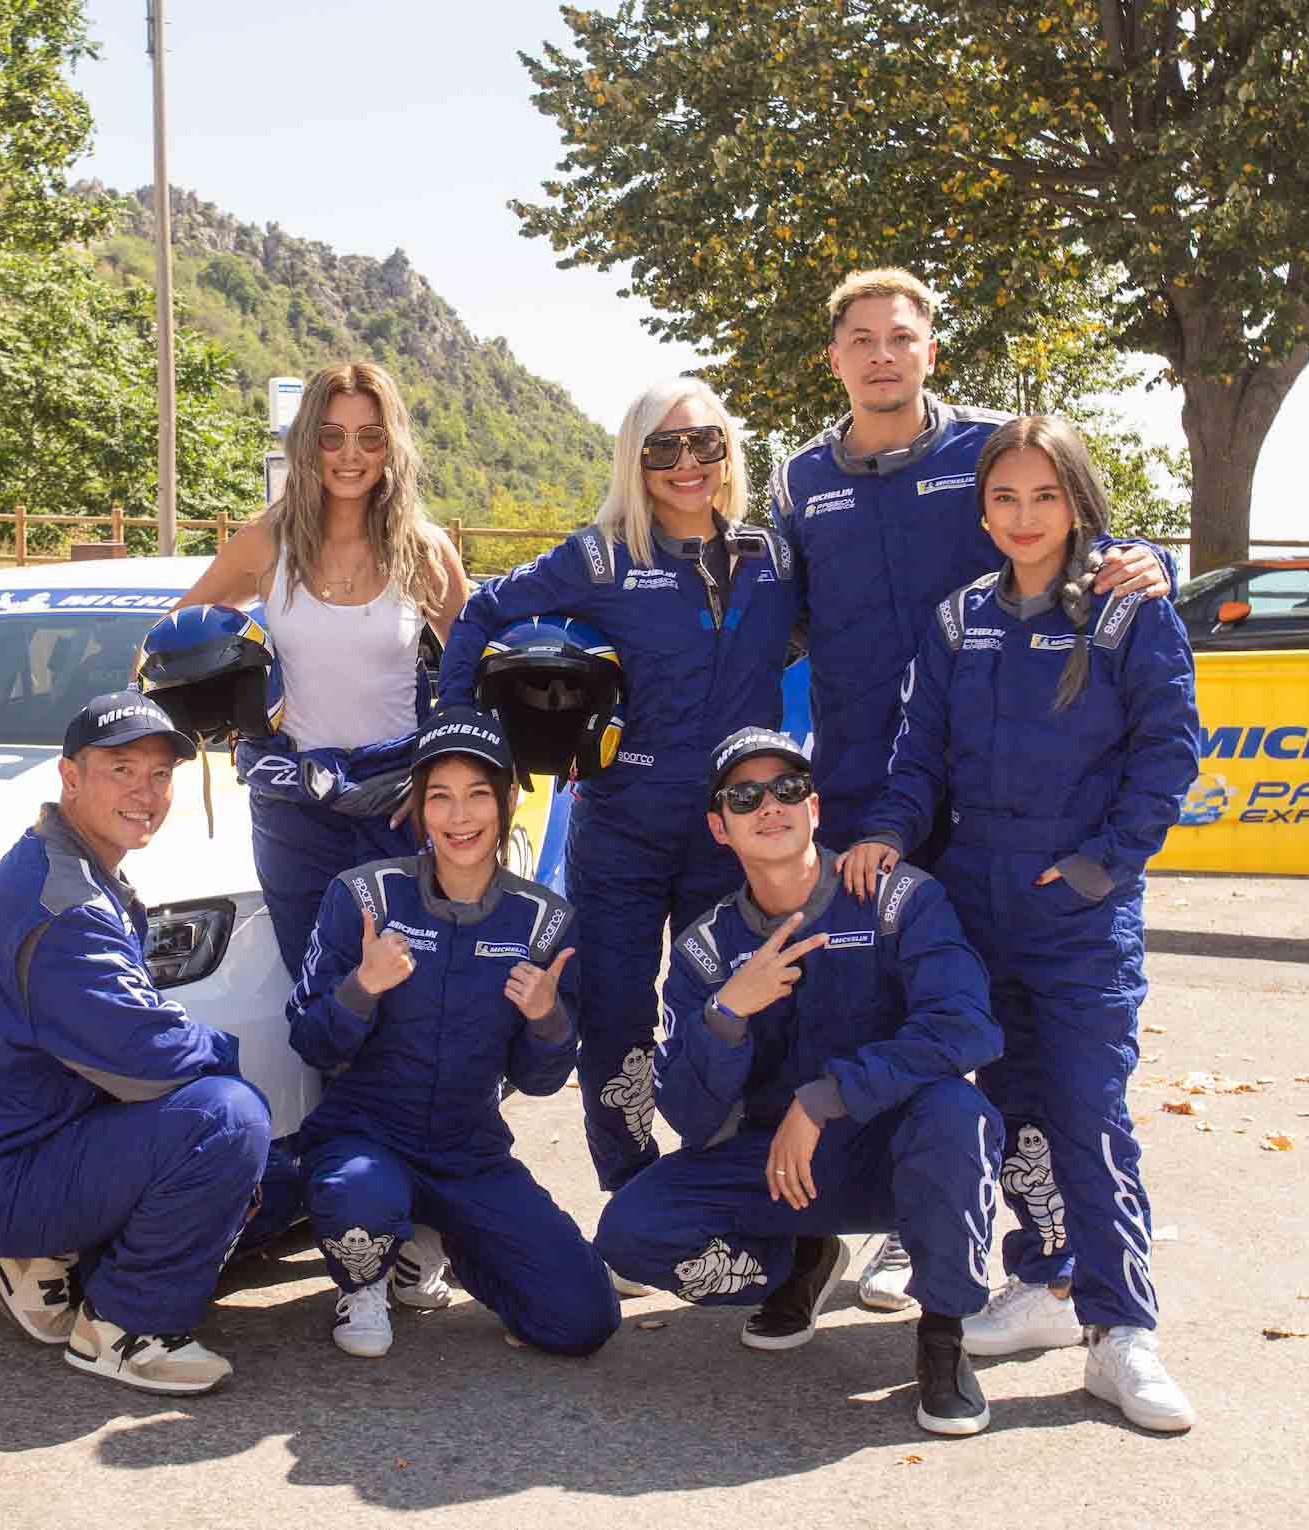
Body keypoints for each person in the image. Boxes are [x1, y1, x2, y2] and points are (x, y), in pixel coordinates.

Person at [769, 265, 1171, 1312]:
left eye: (900, 336)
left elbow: (1082, 537)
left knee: (1004, 1046)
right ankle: (860, 1222)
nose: (882, 355)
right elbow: (776, 618)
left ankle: (994, 1251)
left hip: (995, 807)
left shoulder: (991, 450)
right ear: (835, 357)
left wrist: (1149, 559)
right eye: (861, 339)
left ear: (930, 349)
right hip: (874, 796)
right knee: (872, 1012)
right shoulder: (798, 479)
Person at [840, 415, 1201, 1432]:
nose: (1025, 515)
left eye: (1045, 495)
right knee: (1014, 1110)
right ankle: (1044, 1280)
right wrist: (888, 834)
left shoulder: (1127, 611)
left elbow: (1168, 755)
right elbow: (919, 758)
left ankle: (1121, 1330)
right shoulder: (959, 620)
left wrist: (1099, 866)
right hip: (976, 906)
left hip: (1079, 917)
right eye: (1005, 497)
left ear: (1077, 502)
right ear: (983, 511)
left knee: (1088, 1111)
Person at [440, 376, 798, 1195]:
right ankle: (631, 1187)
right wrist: (463, 744)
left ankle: (723, 1187)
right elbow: (480, 613)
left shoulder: (775, 558)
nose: (686, 463)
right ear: (634, 461)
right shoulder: (597, 557)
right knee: (613, 1013)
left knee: (735, 1006)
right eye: (662, 447)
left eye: (703, 442)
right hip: (622, 829)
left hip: (735, 835)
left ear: (728, 452)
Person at [594, 726, 1004, 1436]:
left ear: (814, 807)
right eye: (744, 797)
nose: (769, 806)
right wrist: (726, 1016)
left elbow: (966, 1026)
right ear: (718, 828)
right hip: (775, 1166)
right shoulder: (705, 948)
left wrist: (826, 1097)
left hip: (890, 1152)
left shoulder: (897, 899)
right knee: (631, 1232)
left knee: (956, 1114)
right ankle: (796, 1262)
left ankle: (944, 1333)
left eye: (787, 789)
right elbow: (689, 1116)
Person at [0, 691, 270, 1396]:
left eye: (159, 775)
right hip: (0, 1177)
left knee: (277, 1178)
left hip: (23, 1141)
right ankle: (122, 1329)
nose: (145, 793)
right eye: (122, 770)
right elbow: (149, 1054)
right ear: (70, 776)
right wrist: (233, 1072)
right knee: (228, 1122)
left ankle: (48, 1258)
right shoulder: (66, 908)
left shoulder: (53, 859)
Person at [287, 706, 620, 1358]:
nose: (459, 816)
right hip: (365, 1135)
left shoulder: (544, 919)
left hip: (470, 1151)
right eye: (439, 796)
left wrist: (547, 1019)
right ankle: (364, 1279)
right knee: (358, 1196)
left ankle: (435, 1241)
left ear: (505, 801)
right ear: (417, 807)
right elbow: (312, 1042)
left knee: (582, 1319)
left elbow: (539, 1080)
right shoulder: (364, 897)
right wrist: (363, 986)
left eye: (477, 794)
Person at [174, 361, 472, 981]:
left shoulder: (423, 549)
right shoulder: (266, 542)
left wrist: (443, 776)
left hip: (398, 808)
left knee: (411, 994)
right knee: (317, 993)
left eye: (370, 436)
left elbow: (476, 675)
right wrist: (217, 709)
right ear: (307, 443)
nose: (350, 455)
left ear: (392, 445)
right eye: (332, 436)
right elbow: (167, 644)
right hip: (294, 813)